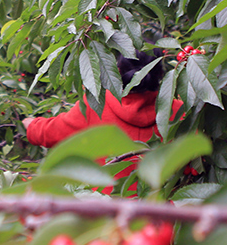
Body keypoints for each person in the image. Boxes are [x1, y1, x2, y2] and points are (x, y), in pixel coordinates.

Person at [22, 50, 183, 191]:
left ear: (117, 70)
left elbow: (51, 132)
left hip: (105, 215)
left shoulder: (96, 105)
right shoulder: (181, 111)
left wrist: (30, 124)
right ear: (161, 73)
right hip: (164, 214)